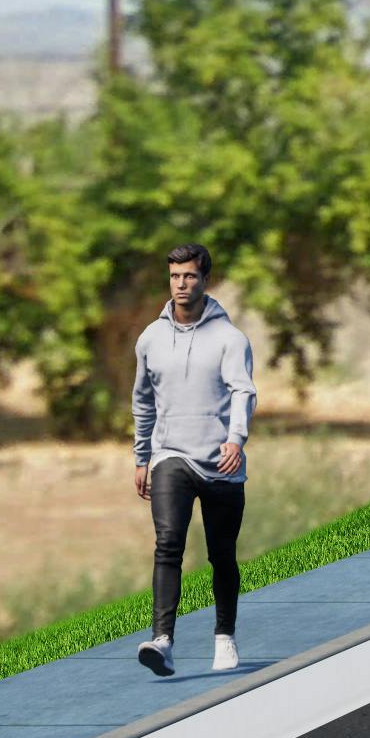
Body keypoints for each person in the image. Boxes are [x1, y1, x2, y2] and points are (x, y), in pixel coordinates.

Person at [132, 241, 256, 676]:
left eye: (189, 276)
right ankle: (162, 640)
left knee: (221, 555)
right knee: (168, 544)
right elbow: (143, 402)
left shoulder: (229, 338)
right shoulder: (150, 338)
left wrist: (236, 439)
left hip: (222, 461)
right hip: (171, 455)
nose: (181, 284)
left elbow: (244, 391)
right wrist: (142, 456)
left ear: (205, 280)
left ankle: (224, 636)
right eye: (174, 276)